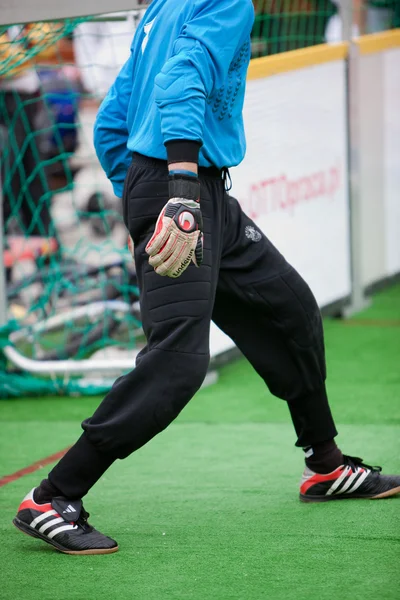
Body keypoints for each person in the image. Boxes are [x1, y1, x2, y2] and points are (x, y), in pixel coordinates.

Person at [13, 0, 400, 556]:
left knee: (290, 308)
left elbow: (112, 122)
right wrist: (176, 195)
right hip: (185, 190)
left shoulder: (167, 6)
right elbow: (179, 82)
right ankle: (53, 497)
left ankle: (326, 465)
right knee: (178, 363)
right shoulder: (225, 3)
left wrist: (143, 202)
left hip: (195, 194)